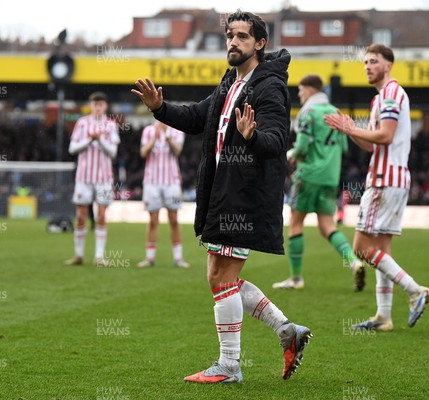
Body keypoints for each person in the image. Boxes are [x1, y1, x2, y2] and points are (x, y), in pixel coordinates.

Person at [132, 10, 311, 383]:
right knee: (220, 276)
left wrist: (251, 137)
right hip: (225, 192)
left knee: (220, 277)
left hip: (243, 197)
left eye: (242, 37)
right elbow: (199, 117)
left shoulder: (269, 86)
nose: (233, 42)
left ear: (260, 43)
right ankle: (286, 331)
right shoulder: (232, 80)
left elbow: (277, 141)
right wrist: (159, 109)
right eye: (230, 35)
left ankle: (230, 366)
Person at [325, 44, 429, 331]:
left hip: (384, 180)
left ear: (389, 65)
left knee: (361, 247)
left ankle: (414, 290)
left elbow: (385, 136)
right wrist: (350, 130)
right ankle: (384, 316)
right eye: (365, 63)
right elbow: (373, 144)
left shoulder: (390, 94)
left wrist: (350, 129)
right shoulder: (381, 99)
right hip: (395, 178)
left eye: (374, 61)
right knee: (381, 249)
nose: (368, 66)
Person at [272, 74, 365, 291]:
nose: (299, 94)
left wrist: (290, 153)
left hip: (308, 175)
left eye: (301, 90)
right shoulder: (335, 112)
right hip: (330, 177)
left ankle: (296, 279)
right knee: (327, 226)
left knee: (295, 223)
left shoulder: (308, 113)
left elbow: (302, 148)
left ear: (311, 89)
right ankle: (354, 262)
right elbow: (343, 147)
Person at [64, 92, 120, 267]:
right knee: (80, 216)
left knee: (101, 215)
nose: (98, 107)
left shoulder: (111, 125)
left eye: (101, 104)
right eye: (95, 104)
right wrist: (89, 140)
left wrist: (100, 139)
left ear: (105, 106)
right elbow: (72, 148)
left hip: (104, 177)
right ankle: (79, 255)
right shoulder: (82, 123)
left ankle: (99, 256)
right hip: (84, 176)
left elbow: (113, 152)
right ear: (91, 105)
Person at [137, 121, 190, 269]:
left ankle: (178, 258)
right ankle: (149, 258)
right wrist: (154, 139)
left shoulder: (176, 130)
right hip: (151, 181)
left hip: (172, 181)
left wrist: (166, 136)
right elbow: (143, 153)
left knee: (173, 219)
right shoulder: (148, 130)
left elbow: (177, 151)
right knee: (153, 220)